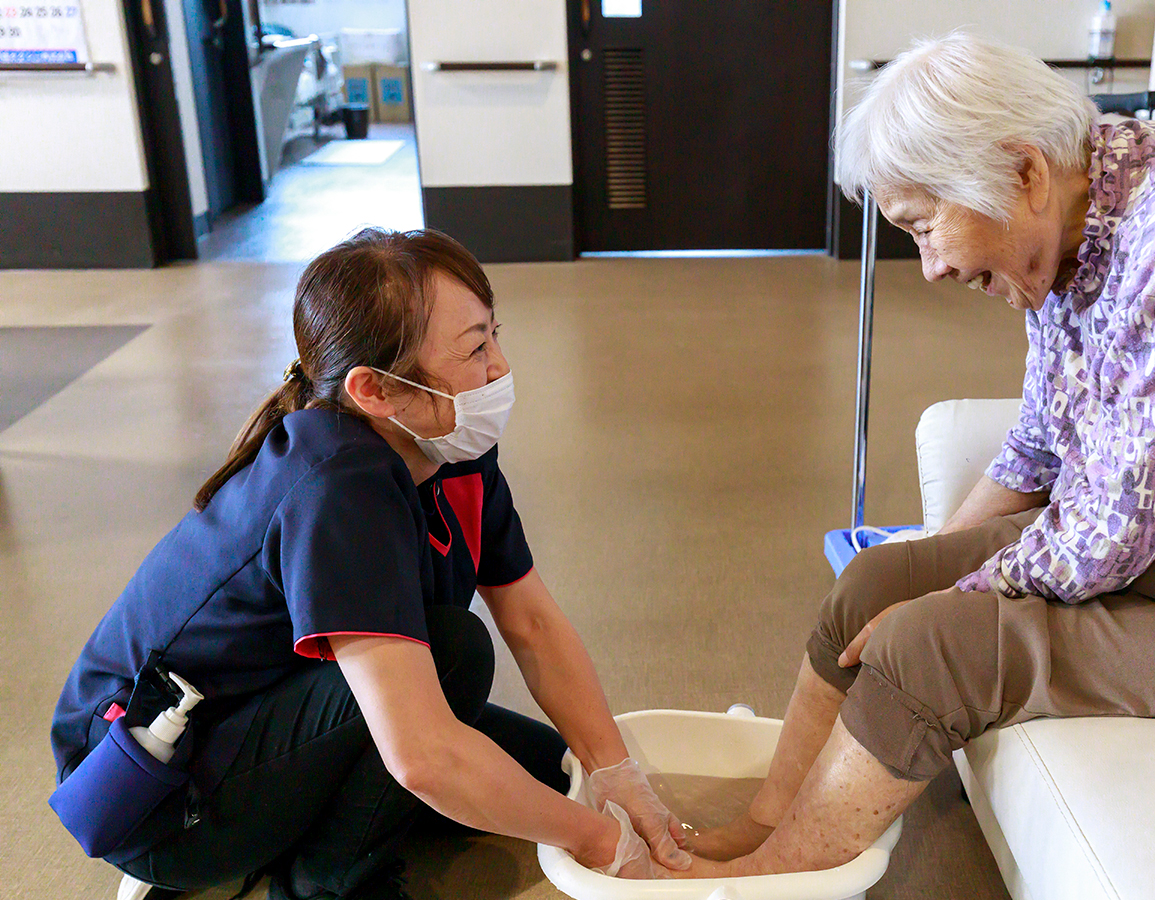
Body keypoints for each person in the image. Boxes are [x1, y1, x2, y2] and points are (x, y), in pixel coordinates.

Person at [671, 32, 1155, 879]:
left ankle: (772, 880)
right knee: (874, 586)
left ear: (1022, 172)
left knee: (934, 647)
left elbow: (1109, 534)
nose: (929, 269)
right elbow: (1040, 442)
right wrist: (922, 568)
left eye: (925, 228)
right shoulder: (1074, 212)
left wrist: (949, 601)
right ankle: (765, 828)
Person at [51, 229, 689, 900]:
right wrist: (600, 842)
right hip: (157, 798)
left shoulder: (448, 447)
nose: (500, 367)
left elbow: (529, 621)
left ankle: (326, 819)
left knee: (545, 763)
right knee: (452, 665)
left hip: (280, 705)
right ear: (376, 391)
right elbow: (422, 756)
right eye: (475, 349)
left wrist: (613, 769)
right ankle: (325, 884)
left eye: (494, 335)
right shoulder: (336, 485)